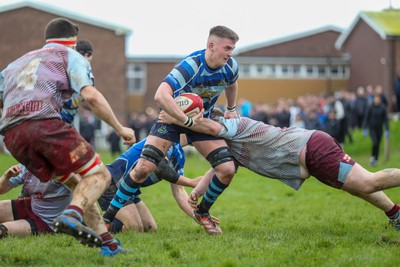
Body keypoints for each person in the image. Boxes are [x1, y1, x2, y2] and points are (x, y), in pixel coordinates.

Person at [0, 18, 135, 256]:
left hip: (12, 136)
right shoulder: (69, 56)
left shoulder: (14, 64)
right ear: (72, 43)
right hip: (45, 126)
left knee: (77, 182)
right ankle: (71, 215)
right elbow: (91, 97)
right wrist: (120, 128)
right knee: (99, 175)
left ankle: (108, 244)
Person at [159, 109, 400, 231]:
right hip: (311, 153)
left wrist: (179, 117)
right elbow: (216, 171)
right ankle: (395, 213)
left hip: (313, 149)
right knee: (358, 187)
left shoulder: (234, 125)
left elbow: (208, 128)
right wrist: (196, 192)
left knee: (368, 183)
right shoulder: (233, 151)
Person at [103, 25, 240, 235]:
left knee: (227, 169)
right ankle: (107, 219)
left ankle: (203, 213)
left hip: (199, 120)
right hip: (171, 119)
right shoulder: (191, 65)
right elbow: (160, 95)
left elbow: (232, 83)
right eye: (227, 48)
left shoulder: (231, 67)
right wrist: (185, 119)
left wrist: (230, 109)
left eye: (233, 49)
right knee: (142, 169)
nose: (231, 53)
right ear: (211, 46)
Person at [100, 136, 205, 233]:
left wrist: (196, 214)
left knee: (150, 228)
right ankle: (93, 224)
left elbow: (179, 191)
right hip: (112, 182)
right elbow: (161, 169)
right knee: (134, 228)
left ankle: (104, 221)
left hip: (129, 190)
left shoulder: (179, 155)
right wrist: (191, 182)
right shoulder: (164, 138)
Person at [0, 164, 72, 238]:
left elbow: (81, 187)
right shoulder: (27, 163)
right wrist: (7, 176)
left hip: (47, 221)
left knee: (1, 230)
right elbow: (1, 189)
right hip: (31, 205)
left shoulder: (62, 166)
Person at [362, 93, 389, 167]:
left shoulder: (382, 108)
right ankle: (372, 157)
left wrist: (387, 129)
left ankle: (376, 159)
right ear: (374, 99)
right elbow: (366, 118)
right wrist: (364, 128)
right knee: (375, 142)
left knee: (378, 144)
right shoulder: (370, 107)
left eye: (378, 99)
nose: (377, 100)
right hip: (372, 128)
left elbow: (385, 119)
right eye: (375, 99)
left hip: (379, 129)